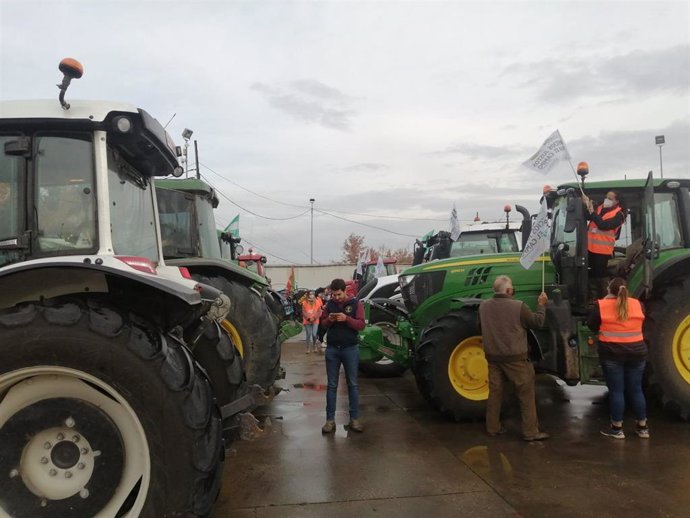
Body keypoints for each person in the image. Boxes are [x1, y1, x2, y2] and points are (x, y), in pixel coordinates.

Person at [478, 275, 550, 441]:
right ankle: (531, 432)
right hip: (516, 358)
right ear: (509, 291)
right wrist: (541, 305)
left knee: (495, 393)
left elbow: (479, 327)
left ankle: (492, 428)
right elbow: (537, 322)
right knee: (525, 393)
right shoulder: (519, 306)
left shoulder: (483, 306)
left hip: (493, 357)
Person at [587, 277, 649, 439]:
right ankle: (642, 428)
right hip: (637, 352)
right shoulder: (637, 304)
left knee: (616, 391)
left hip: (612, 354)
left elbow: (591, 324)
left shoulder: (602, 306)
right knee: (636, 389)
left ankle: (617, 429)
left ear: (609, 289)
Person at [319, 278, 365, 433]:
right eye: (333, 295)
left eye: (338, 294)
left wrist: (347, 319)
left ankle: (354, 419)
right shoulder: (329, 305)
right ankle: (330, 421)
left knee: (353, 384)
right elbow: (323, 324)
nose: (336, 298)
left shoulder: (356, 303)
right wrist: (329, 320)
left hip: (350, 349)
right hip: (332, 350)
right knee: (331, 386)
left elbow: (361, 325)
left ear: (345, 291)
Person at [582, 190, 625, 300]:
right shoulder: (600, 208)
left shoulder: (619, 215)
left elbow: (604, 225)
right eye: (606, 197)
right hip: (589, 248)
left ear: (617, 201)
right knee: (590, 275)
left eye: (610, 198)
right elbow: (588, 216)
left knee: (600, 277)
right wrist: (586, 204)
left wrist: (592, 213)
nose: (607, 200)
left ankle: (603, 300)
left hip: (603, 251)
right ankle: (592, 299)